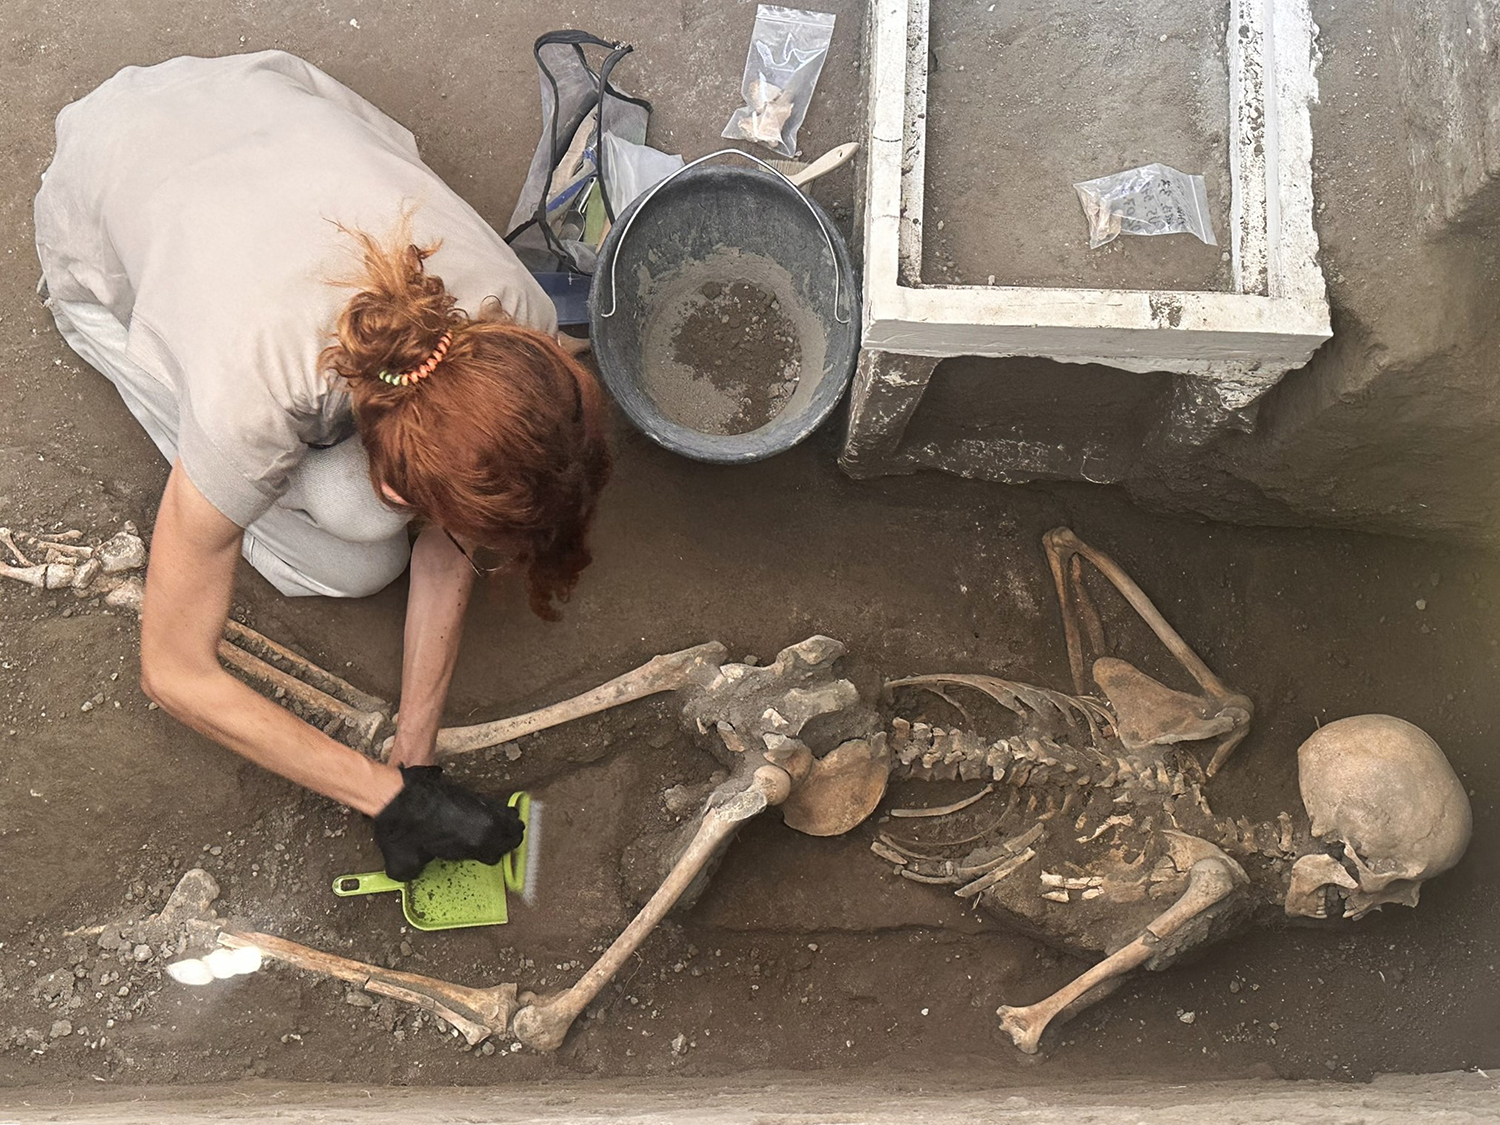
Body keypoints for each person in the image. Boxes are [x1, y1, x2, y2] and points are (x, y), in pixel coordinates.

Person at [33, 51, 612, 880]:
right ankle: (150, 380)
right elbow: (174, 670)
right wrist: (386, 797)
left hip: (240, 94)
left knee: (378, 528)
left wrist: (418, 755)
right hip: (98, 203)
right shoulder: (253, 393)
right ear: (394, 474)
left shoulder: (512, 319)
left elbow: (456, 525)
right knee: (355, 554)